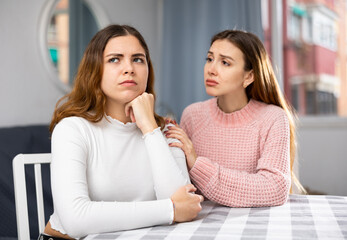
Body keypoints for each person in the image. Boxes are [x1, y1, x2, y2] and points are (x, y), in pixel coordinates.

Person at [40, 24, 203, 240]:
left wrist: (150, 129)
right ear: (95, 69)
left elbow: (184, 204)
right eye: (114, 59)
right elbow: (76, 220)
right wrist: (170, 210)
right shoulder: (72, 129)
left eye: (138, 59)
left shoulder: (164, 130)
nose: (129, 68)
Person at [166, 29, 306, 208]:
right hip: (203, 224)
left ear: (248, 76)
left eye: (225, 63)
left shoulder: (273, 118)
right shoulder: (192, 115)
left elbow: (275, 189)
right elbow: (179, 185)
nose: (211, 69)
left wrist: (198, 164)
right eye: (210, 59)